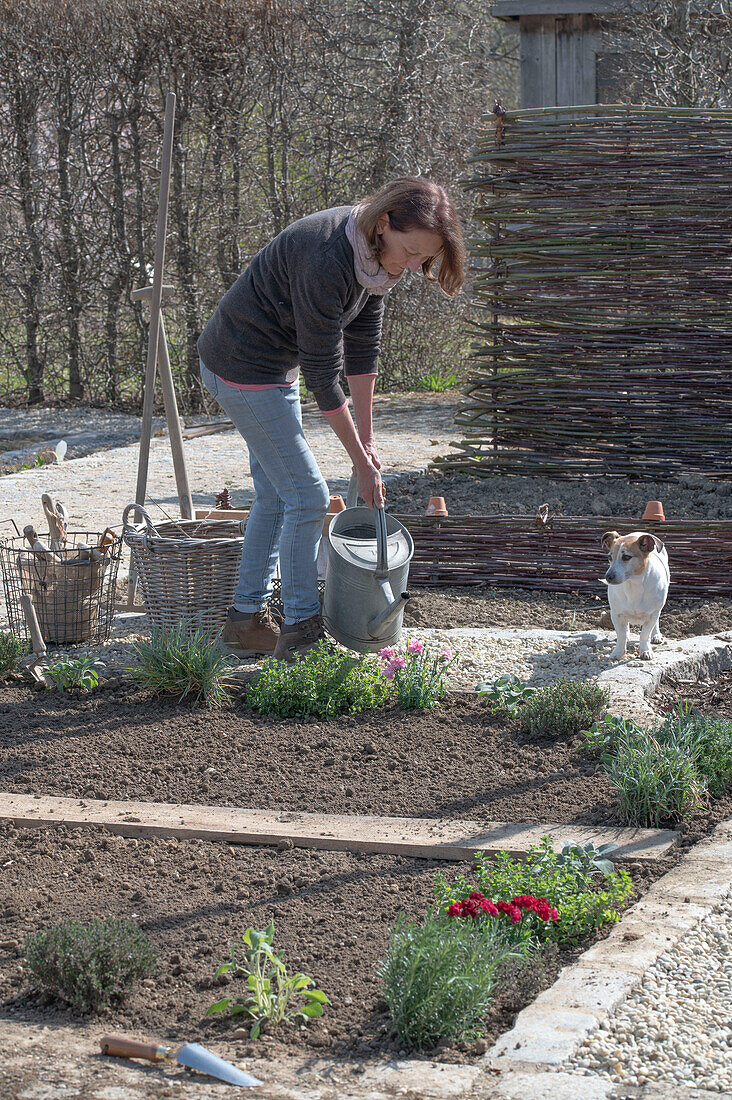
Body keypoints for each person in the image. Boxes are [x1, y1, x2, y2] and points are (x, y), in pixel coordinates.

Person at [198, 176, 466, 661]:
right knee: (307, 497)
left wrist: (369, 442)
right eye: (410, 251)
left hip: (270, 366)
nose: (413, 265)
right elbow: (324, 377)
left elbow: (362, 350)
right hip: (240, 365)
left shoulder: (375, 264)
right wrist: (359, 466)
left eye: (424, 259)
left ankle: (244, 622)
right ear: (384, 224)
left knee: (276, 495)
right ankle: (300, 630)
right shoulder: (328, 256)